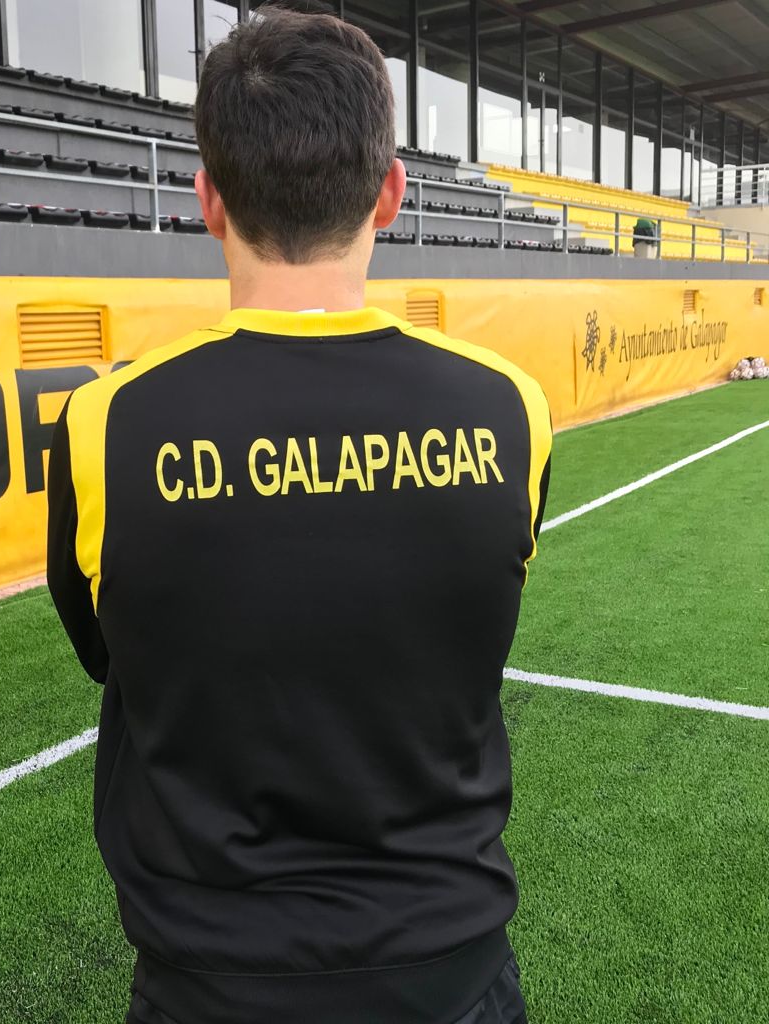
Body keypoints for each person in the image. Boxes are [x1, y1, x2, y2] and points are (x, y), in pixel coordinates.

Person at [47, 5, 552, 1023]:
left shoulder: (107, 420)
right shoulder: (509, 405)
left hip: (206, 983)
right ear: (391, 193)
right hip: (449, 975)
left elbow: (109, 652)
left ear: (208, 198)